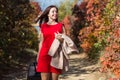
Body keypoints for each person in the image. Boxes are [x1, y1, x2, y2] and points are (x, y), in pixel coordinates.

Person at [36, 5, 64, 80]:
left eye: (56, 12)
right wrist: (38, 57)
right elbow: (41, 42)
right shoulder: (43, 26)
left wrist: (60, 39)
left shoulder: (60, 26)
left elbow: (65, 41)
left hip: (56, 56)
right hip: (44, 56)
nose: (55, 13)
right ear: (48, 14)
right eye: (53, 11)